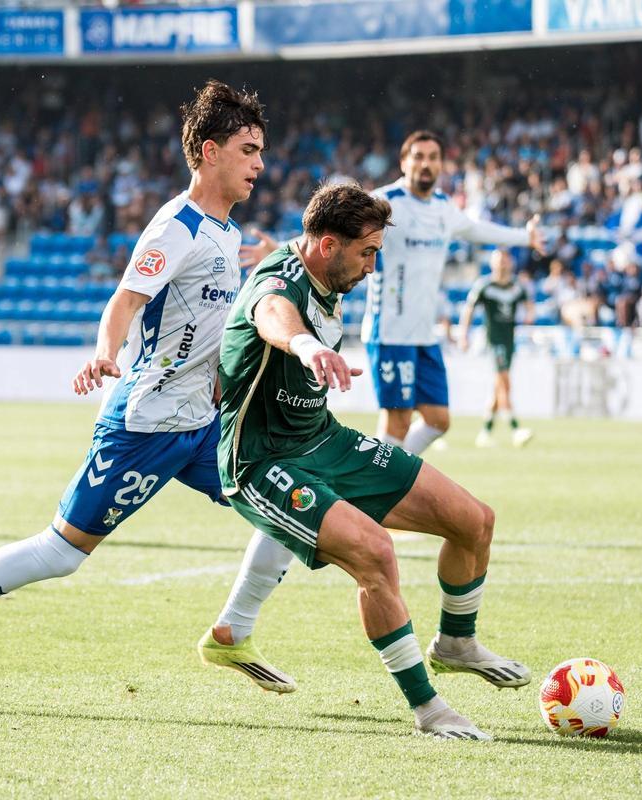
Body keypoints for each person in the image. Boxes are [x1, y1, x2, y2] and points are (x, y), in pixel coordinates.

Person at [0, 80, 284, 698]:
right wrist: (103, 354)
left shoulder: (229, 234)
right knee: (62, 553)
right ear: (209, 151)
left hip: (203, 423)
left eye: (261, 151)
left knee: (289, 506)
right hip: (146, 424)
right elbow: (123, 302)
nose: (260, 164)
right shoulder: (175, 227)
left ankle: (233, 631)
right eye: (249, 150)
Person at [206, 181, 528, 741]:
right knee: (375, 554)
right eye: (368, 253)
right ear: (329, 245)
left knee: (474, 521)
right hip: (261, 460)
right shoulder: (278, 284)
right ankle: (429, 710)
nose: (373, 267)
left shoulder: (321, 263)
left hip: (323, 439)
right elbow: (272, 311)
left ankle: (457, 642)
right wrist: (306, 345)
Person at [362, 131, 543, 456]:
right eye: (418, 157)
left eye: (433, 158)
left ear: (441, 165)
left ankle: (382, 472)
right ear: (403, 162)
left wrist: (524, 238)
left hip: (423, 335)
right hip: (390, 332)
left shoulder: (444, 208)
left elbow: (478, 230)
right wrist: (293, 249)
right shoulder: (384, 202)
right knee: (397, 422)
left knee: (438, 420)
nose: (425, 164)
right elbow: (338, 227)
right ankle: (377, 482)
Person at [457, 249, 535, 448]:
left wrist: (530, 315)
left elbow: (529, 305)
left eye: (505, 260)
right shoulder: (485, 285)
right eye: (499, 261)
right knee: (504, 382)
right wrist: (464, 334)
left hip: (510, 341)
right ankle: (515, 428)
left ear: (511, 263)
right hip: (493, 340)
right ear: (492, 263)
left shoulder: (517, 286)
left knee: (498, 386)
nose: (502, 264)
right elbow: (469, 309)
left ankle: (485, 432)